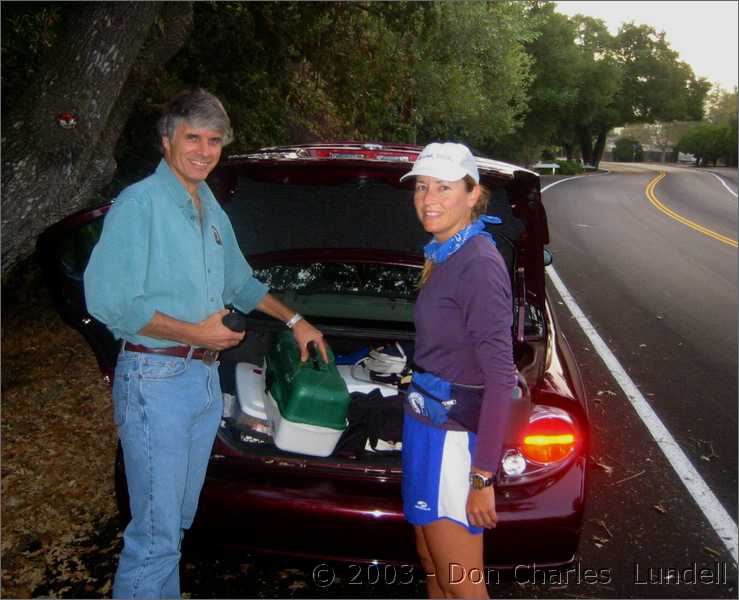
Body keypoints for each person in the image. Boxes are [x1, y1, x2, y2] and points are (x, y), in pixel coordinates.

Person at [84, 89, 328, 599]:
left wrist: (297, 320)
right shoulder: (140, 205)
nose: (203, 149)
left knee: (175, 524)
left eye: (214, 140)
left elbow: (241, 283)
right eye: (192, 137)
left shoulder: (208, 204)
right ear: (167, 138)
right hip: (155, 379)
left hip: (200, 380)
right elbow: (108, 300)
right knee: (154, 536)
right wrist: (195, 333)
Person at [398, 142, 517, 599]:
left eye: (444, 187)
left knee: (463, 585)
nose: (429, 198)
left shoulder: (478, 262)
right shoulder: (445, 251)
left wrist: (482, 476)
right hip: (426, 424)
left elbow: (501, 376)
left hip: (454, 441)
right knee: (432, 563)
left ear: (472, 195)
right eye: (422, 187)